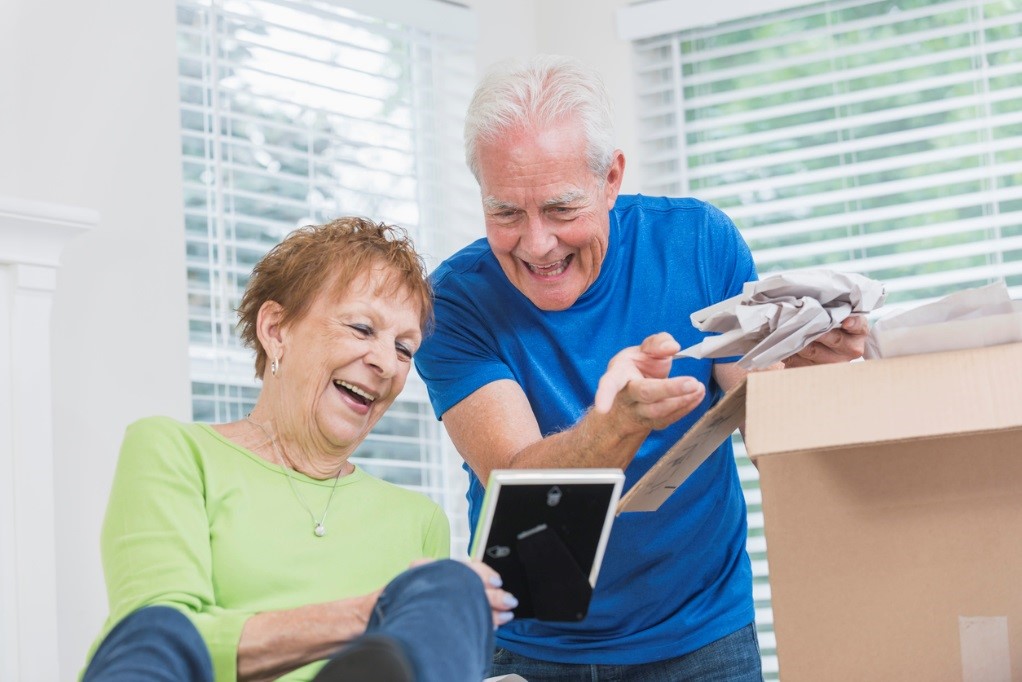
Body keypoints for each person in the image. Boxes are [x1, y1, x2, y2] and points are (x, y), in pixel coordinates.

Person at [414, 55, 868, 680]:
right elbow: (515, 480)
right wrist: (613, 428)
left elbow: (766, 436)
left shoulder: (699, 244)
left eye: (561, 209)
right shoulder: (455, 302)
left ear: (611, 179)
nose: (536, 243)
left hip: (703, 635)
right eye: (506, 213)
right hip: (534, 647)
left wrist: (811, 375)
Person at [83, 217, 518, 682]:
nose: (386, 363)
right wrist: (368, 615)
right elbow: (157, 648)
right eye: (361, 327)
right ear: (275, 329)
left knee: (452, 591)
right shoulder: (174, 452)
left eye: (405, 348)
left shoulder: (418, 521)